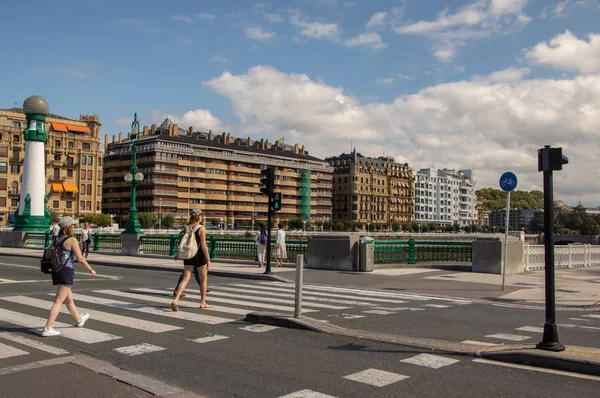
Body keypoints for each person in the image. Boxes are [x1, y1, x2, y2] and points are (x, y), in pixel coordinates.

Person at [41, 216, 96, 337]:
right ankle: (47, 328)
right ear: (70, 227)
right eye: (73, 225)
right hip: (66, 271)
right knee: (58, 301)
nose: (74, 227)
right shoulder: (72, 240)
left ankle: (79, 319)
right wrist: (91, 269)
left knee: (68, 299)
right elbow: (80, 258)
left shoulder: (57, 238)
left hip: (57, 270)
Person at [171, 209, 211, 311]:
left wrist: (177, 254)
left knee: (185, 279)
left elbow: (182, 242)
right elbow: (203, 245)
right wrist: (208, 258)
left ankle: (176, 300)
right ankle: (202, 302)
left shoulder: (187, 228)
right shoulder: (201, 228)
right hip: (199, 255)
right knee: (203, 279)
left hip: (188, 255)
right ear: (200, 216)